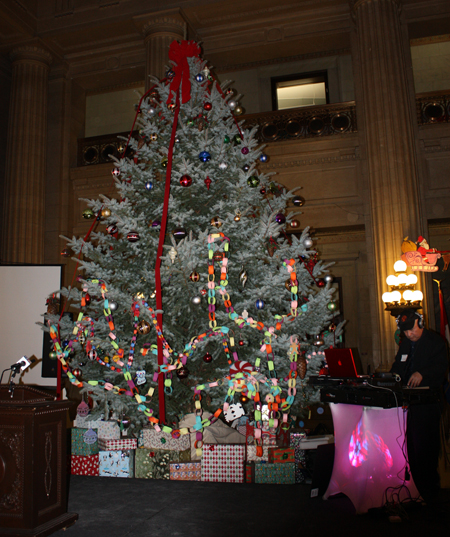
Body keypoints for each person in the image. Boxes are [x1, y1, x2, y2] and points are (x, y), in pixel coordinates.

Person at [390, 308, 448, 503]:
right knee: (411, 448)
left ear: (420, 324)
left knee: (426, 448)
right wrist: (392, 378)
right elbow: (398, 366)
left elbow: (441, 368)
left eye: (412, 330)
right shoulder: (405, 343)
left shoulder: (436, 342)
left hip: (428, 404)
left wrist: (422, 373)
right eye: (405, 331)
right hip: (409, 404)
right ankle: (414, 489)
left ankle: (429, 491)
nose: (409, 334)